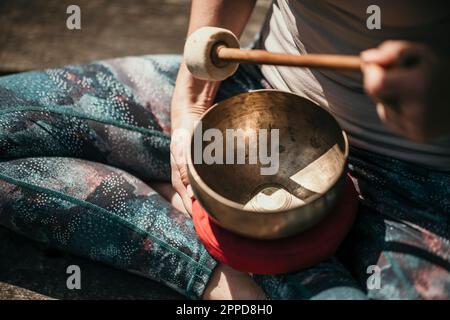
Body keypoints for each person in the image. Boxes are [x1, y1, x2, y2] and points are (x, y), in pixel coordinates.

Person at [0, 0, 448, 300]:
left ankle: (246, 255)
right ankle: (237, 273)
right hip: (256, 92)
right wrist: (193, 101)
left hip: (419, 184)